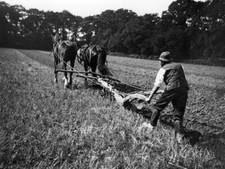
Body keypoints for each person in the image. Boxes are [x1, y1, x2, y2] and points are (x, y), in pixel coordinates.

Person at [141, 51, 189, 142]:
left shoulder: (163, 69)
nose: (159, 62)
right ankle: (179, 136)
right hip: (183, 90)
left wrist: (149, 97)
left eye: (160, 61)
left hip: (171, 89)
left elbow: (157, 84)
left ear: (162, 61)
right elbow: (178, 78)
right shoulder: (180, 66)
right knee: (178, 114)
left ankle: (151, 125)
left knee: (157, 107)